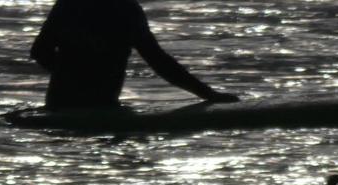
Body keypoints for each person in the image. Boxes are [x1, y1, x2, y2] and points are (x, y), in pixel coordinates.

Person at [31, 0, 239, 110]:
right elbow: (158, 61)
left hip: (65, 104)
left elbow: (40, 52)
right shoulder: (125, 9)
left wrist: (70, 77)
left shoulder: (70, 4)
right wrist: (209, 95)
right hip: (98, 106)